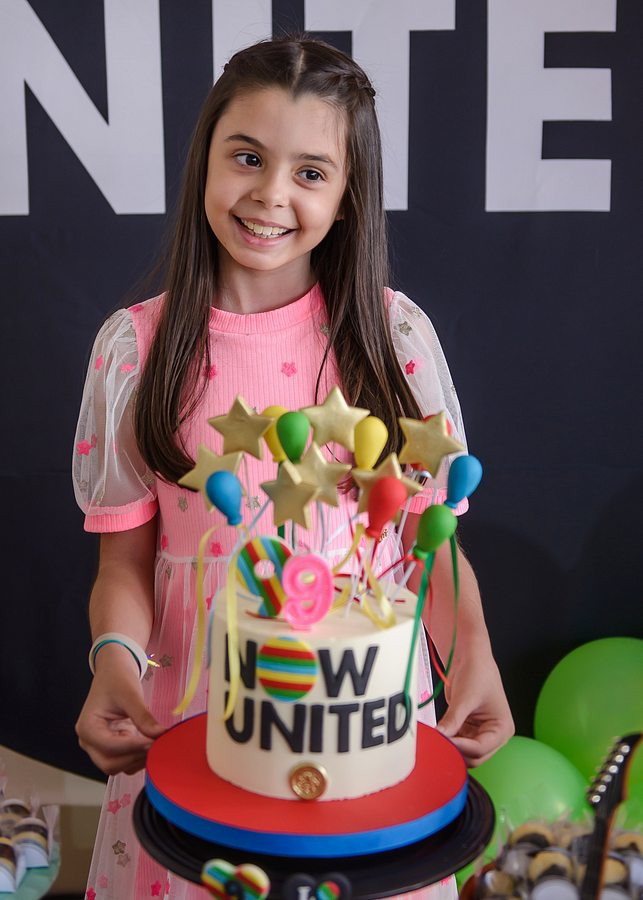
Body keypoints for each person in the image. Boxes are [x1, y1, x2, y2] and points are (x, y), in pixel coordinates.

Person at [73, 35, 513, 900]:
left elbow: (428, 545)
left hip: (365, 752)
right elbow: (123, 563)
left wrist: (474, 652)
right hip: (195, 731)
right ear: (204, 160)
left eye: (310, 172)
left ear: (347, 197)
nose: (271, 194)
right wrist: (114, 663)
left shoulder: (392, 339)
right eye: (247, 157)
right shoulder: (136, 349)